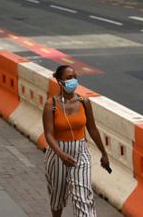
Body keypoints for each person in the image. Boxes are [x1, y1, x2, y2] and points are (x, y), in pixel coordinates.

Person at [42, 65, 110, 217]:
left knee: (83, 197)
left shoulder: (84, 102)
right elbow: (48, 135)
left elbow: (92, 129)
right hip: (58, 154)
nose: (73, 81)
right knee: (57, 197)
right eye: (68, 78)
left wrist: (104, 153)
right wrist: (60, 154)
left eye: (74, 78)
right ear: (60, 82)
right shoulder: (50, 105)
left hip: (80, 152)